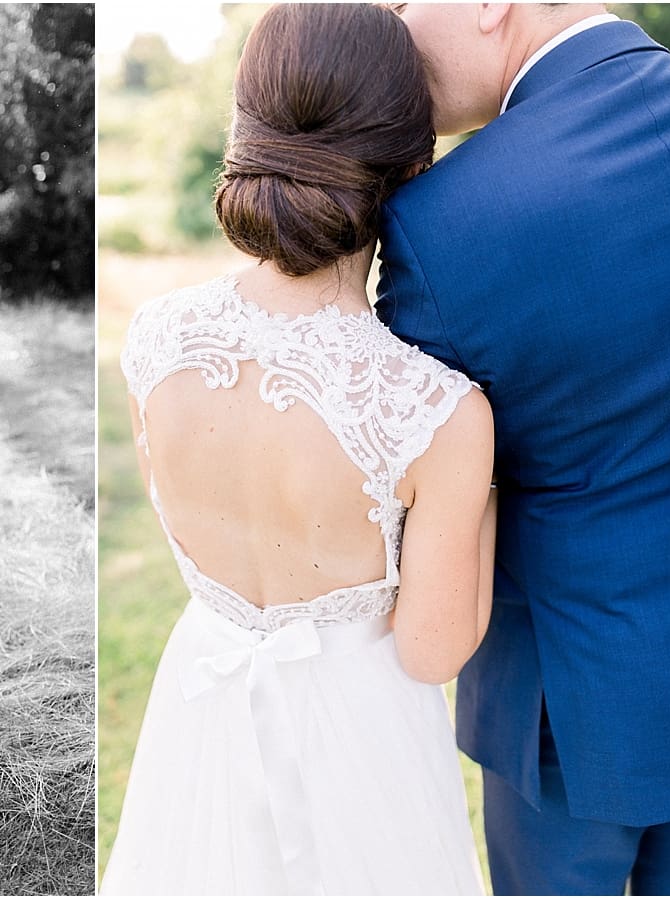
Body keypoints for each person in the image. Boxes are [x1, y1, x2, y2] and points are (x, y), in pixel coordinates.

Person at [101, 5, 496, 894]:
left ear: (246, 133)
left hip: (200, 697)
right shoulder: (437, 412)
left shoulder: (153, 338)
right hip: (363, 751)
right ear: (413, 168)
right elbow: (432, 652)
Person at [376, 4, 670, 895]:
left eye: (402, 1)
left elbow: (407, 486)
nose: (393, 25)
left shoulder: (438, 221)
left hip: (570, 714)